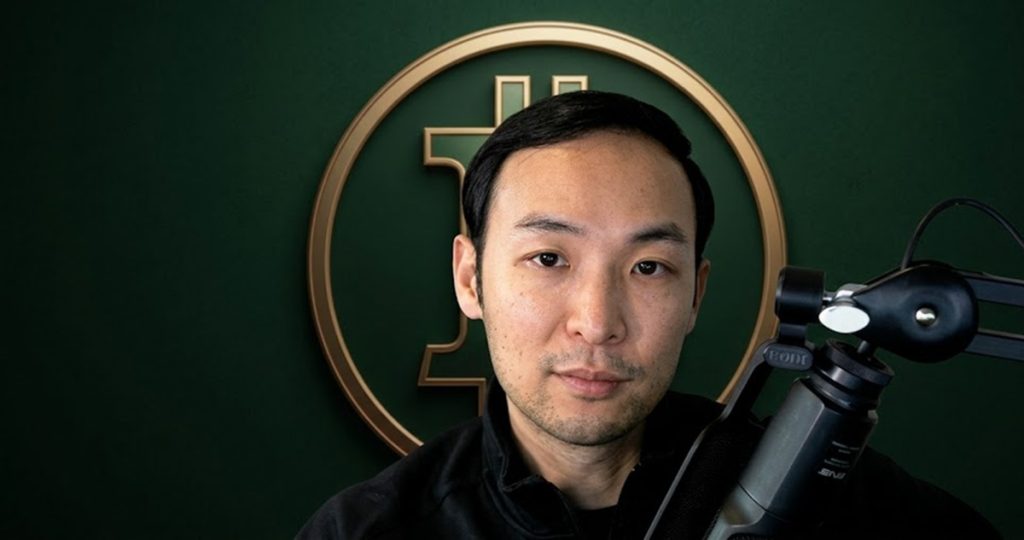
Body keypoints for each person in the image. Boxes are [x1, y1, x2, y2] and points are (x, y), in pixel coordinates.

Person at [297, 91, 999, 539]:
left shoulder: (844, 503)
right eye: (549, 258)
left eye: (648, 267)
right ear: (469, 278)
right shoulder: (365, 531)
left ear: (696, 294)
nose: (597, 322)